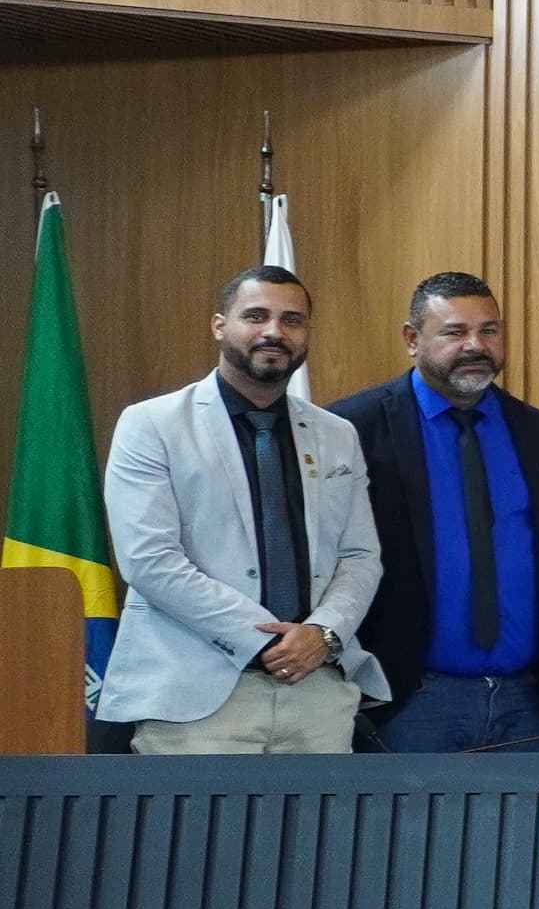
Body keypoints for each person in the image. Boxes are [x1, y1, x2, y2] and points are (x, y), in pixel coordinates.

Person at [99, 264, 387, 755]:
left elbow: (360, 555)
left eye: (292, 320)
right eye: (256, 316)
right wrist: (266, 641)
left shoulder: (337, 434)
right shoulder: (152, 425)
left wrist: (323, 633)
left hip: (316, 691)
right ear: (219, 326)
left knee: (322, 813)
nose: (274, 331)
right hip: (196, 697)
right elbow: (149, 560)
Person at [328, 271, 539, 755]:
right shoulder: (352, 427)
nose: (475, 345)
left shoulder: (536, 430)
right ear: (411, 339)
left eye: (489, 330)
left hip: (523, 698)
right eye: (455, 332)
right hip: (408, 698)